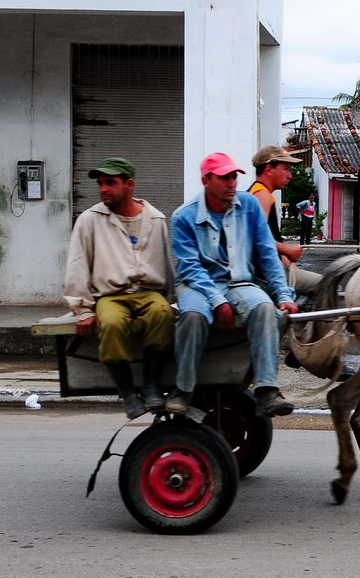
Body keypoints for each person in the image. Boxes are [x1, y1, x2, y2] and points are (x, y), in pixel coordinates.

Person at [166, 152, 299, 417]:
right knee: (192, 316)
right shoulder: (183, 216)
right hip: (197, 285)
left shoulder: (248, 206)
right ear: (206, 180)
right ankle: (183, 388)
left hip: (238, 282)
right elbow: (191, 268)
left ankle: (266, 390)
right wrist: (218, 301)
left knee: (265, 309)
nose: (231, 183)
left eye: (234, 176)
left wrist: (283, 293)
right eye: (224, 177)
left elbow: (267, 255)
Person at [63, 157, 174, 419]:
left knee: (162, 314)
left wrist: (170, 300)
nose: (103, 189)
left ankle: (151, 386)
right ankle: (127, 392)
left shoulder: (155, 219)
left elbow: (166, 264)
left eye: (110, 183)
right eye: (100, 184)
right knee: (111, 324)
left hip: (148, 292)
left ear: (129, 184)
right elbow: (78, 264)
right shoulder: (90, 220)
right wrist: (83, 310)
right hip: (110, 295)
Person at [248, 145, 322, 297]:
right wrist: (286, 250)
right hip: (265, 273)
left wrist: (286, 261)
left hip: (268, 267)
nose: (290, 175)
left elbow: (269, 238)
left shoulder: (258, 192)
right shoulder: (262, 196)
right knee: (326, 283)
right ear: (269, 170)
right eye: (286, 169)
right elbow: (255, 238)